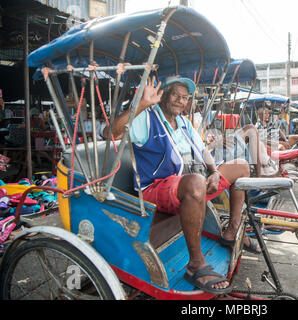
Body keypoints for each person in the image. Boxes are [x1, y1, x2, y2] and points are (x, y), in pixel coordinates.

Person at [108, 75, 258, 294]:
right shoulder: (147, 118)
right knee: (196, 182)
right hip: (155, 188)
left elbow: (204, 151)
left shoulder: (185, 124)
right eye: (175, 95)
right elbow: (110, 133)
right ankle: (196, 264)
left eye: (185, 98)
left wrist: (215, 172)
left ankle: (231, 230)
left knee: (242, 165)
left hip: (192, 184)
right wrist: (142, 104)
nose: (180, 101)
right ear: (163, 96)